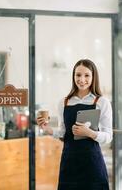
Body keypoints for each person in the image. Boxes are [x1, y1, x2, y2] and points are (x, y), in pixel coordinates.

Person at [37, 59, 112, 190]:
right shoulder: (64, 102)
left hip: (92, 163)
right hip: (69, 162)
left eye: (87, 75)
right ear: (73, 76)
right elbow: (64, 132)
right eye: (78, 75)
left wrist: (89, 133)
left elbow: (108, 136)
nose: (82, 79)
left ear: (93, 77)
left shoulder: (102, 102)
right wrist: (48, 130)